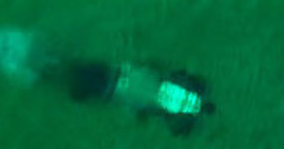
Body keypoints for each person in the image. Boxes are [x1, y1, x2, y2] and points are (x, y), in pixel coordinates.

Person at [52, 55, 218, 136]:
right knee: (73, 85)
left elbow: (160, 70)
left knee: (76, 71)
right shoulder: (166, 109)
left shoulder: (176, 86)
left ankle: (54, 64)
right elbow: (170, 126)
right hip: (113, 90)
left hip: (119, 73)